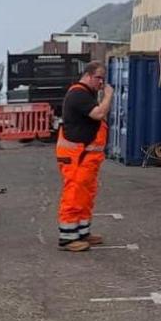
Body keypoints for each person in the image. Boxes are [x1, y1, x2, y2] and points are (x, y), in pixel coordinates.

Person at [56, 61, 112, 252]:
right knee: (74, 194)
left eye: (103, 79)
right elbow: (98, 114)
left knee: (85, 195)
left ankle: (82, 232)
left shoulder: (85, 94)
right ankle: (68, 238)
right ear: (88, 76)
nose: (101, 83)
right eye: (99, 78)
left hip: (86, 156)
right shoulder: (78, 94)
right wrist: (108, 96)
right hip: (76, 155)